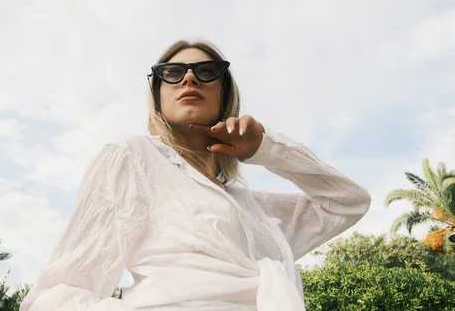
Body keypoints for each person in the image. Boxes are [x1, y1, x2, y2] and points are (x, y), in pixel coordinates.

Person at [19, 40, 371, 311]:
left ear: (225, 92)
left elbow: (347, 203)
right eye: (172, 72)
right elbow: (63, 289)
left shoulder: (252, 207)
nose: (189, 77)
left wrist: (265, 148)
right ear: (157, 93)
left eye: (206, 71)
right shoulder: (134, 157)